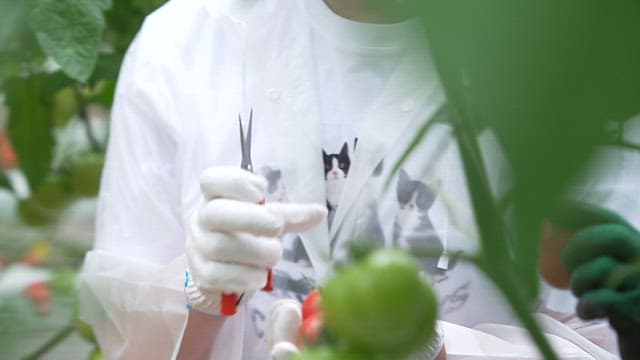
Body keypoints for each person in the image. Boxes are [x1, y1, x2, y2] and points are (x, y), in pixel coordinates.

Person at [79, 0, 640, 358]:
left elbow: (607, 339)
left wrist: (440, 350)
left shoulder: (570, 67)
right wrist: (196, 293)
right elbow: (123, 333)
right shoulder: (185, 43)